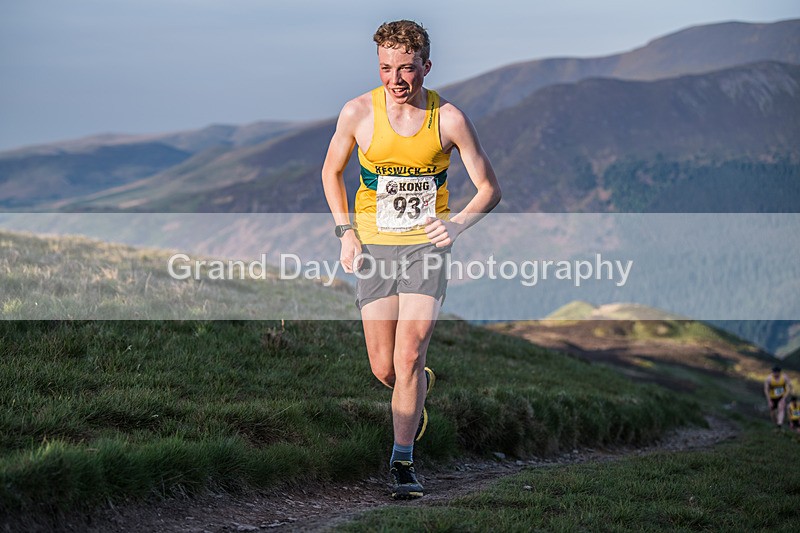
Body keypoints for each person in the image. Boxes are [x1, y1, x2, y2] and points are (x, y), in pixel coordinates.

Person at [321, 20, 501, 499]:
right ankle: (416, 385)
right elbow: (331, 171)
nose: (395, 79)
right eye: (385, 68)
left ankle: (403, 463)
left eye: (406, 68)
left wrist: (458, 224)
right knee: (385, 368)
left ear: (426, 65)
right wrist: (345, 232)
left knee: (408, 353)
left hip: (427, 248)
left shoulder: (450, 119)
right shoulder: (358, 112)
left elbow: (490, 189)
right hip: (374, 247)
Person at [764, 366, 792, 430]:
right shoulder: (769, 379)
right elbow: (766, 389)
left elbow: (789, 387)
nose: (775, 374)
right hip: (772, 397)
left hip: (781, 396)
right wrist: (769, 400)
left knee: (781, 408)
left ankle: (779, 424)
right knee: (772, 411)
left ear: (779, 372)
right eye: (774, 372)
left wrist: (784, 397)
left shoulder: (784, 377)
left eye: (777, 373)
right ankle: (775, 424)